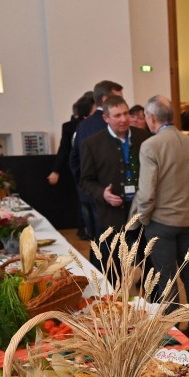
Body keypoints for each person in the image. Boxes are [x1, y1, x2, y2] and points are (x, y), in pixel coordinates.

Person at [135, 95, 189, 343]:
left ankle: (173, 332)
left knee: (165, 276)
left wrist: (141, 219)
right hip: (187, 218)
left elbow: (146, 192)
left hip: (161, 221)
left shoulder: (151, 146)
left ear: (151, 118)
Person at [80, 95, 150, 271]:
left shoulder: (145, 138)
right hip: (111, 214)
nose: (124, 119)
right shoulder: (92, 144)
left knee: (150, 264)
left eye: (126, 113)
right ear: (106, 118)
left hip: (143, 211)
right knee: (114, 267)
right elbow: (86, 181)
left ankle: (152, 299)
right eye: (117, 115)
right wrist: (102, 193)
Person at [69, 80, 124, 250]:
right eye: (118, 97)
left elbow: (74, 159)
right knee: (113, 245)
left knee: (97, 243)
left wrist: (83, 186)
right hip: (112, 195)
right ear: (106, 98)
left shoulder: (83, 125)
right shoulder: (112, 125)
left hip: (90, 192)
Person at [48, 91, 95, 239]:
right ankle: (85, 227)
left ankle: (89, 228)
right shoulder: (72, 126)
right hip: (80, 168)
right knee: (83, 200)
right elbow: (64, 149)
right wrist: (55, 170)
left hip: (92, 167)